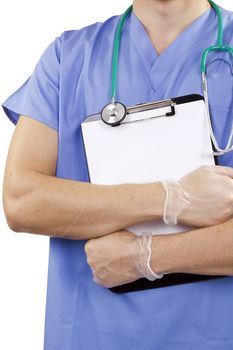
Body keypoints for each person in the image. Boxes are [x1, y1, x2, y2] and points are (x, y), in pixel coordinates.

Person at [1, 0, 233, 348]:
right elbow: (22, 200)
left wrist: (145, 256)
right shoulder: (70, 56)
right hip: (89, 335)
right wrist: (171, 197)